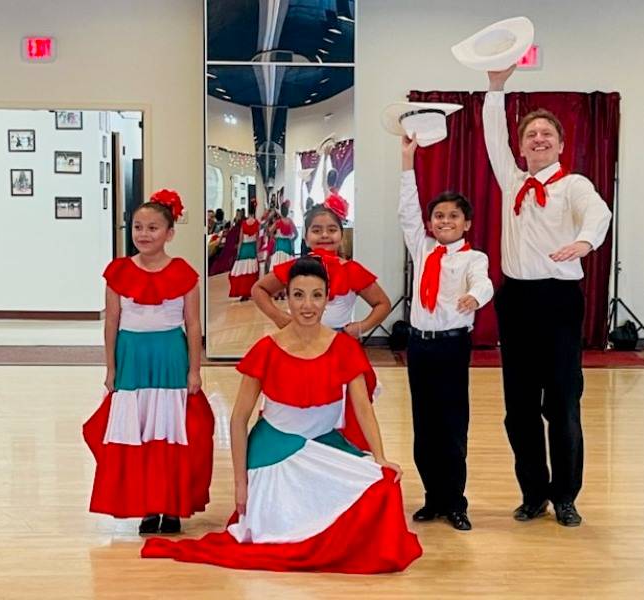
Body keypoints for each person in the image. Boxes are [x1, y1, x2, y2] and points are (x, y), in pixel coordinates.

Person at [142, 256, 422, 573]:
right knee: (279, 532)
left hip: (323, 444)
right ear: (285, 297)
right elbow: (238, 420)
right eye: (298, 295)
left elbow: (363, 408)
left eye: (317, 295)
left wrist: (381, 457)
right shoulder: (267, 348)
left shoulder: (344, 348)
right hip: (274, 452)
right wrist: (240, 483)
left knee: (383, 484)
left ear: (328, 298)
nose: (307, 305)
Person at [483, 65, 612, 527]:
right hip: (516, 301)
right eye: (530, 134)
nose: (537, 139)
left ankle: (566, 496)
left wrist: (585, 241)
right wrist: (496, 88)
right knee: (518, 409)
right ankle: (533, 493)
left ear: (560, 144)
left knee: (561, 404)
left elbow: (597, 210)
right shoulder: (513, 182)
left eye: (546, 134)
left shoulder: (573, 185)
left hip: (558, 302)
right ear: (521, 147)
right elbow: (493, 136)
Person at [83, 189, 215, 535]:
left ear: (169, 233)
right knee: (137, 433)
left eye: (153, 227)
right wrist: (110, 368)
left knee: (169, 431)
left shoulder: (184, 273)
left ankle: (171, 506)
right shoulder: (118, 272)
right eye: (137, 226)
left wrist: (194, 370)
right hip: (133, 359)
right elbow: (111, 321)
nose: (143, 234)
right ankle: (145, 506)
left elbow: (193, 323)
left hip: (170, 358)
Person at [398, 136, 494, 531]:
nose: (445, 222)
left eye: (453, 217)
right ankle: (432, 498)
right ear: (430, 222)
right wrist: (407, 160)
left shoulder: (474, 257)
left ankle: (456, 501)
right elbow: (407, 210)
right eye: (438, 216)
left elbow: (484, 283)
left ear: (466, 223)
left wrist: (473, 297)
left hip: (453, 347)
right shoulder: (422, 248)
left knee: (452, 426)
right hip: (420, 346)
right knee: (424, 425)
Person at [252, 203, 391, 449]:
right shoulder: (297, 268)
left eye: (331, 229)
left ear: (341, 233)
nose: (324, 235)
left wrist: (360, 326)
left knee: (346, 409)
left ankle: (341, 455)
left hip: (339, 348)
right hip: (297, 346)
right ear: (305, 236)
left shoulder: (352, 270)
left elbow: (382, 303)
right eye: (317, 230)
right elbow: (259, 289)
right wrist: (280, 318)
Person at [228, 205, 260, 300]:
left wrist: (238, 252)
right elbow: (258, 239)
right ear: (254, 212)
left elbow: (241, 239)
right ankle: (250, 290)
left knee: (242, 271)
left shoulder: (244, 223)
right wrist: (257, 251)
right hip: (252, 248)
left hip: (244, 249)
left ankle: (242, 292)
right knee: (251, 270)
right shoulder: (257, 223)